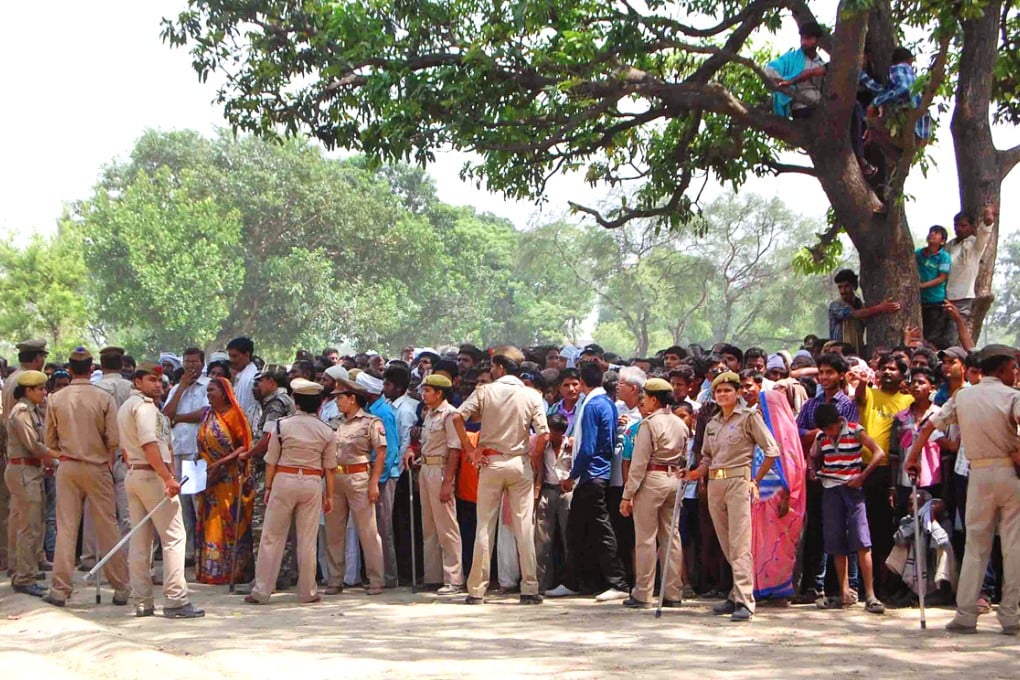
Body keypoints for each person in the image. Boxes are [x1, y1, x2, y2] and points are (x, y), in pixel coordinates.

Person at [906, 344, 1020, 634]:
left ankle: (966, 614)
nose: (1015, 372)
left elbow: (929, 426)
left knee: (975, 546)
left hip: (977, 473)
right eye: (1013, 367)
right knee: (1013, 545)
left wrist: (912, 456)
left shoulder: (963, 397)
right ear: (1002, 368)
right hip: (1009, 472)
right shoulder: (1013, 397)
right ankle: (1010, 616)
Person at [452, 346, 550, 605]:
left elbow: (457, 417)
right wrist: (530, 456)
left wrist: (471, 451)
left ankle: (476, 589)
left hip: (491, 462)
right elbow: (544, 434)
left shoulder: (485, 391)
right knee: (523, 527)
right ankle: (530, 588)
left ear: (501, 368)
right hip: (519, 463)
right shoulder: (531, 395)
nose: (491, 371)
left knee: (485, 526)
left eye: (493, 367)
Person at [43, 347, 130, 608]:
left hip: (67, 467)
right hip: (97, 466)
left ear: (69, 369)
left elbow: (49, 441)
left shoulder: (56, 399)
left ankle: (60, 589)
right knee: (107, 526)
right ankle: (121, 587)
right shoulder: (103, 398)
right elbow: (113, 439)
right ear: (92, 368)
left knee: (66, 528)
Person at [118, 362, 204, 618]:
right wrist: (167, 477)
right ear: (138, 382)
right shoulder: (144, 409)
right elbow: (150, 445)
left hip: (134, 473)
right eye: (152, 380)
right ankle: (176, 599)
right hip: (151, 474)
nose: (158, 384)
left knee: (141, 540)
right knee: (174, 537)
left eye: (160, 380)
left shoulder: (127, 407)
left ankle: (142, 600)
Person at [693, 371, 780, 622]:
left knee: (740, 544)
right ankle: (735, 593)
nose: (722, 395)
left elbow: (771, 450)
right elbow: (707, 457)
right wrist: (695, 473)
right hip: (715, 483)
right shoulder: (712, 423)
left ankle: (745, 600)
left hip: (738, 481)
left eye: (727, 391)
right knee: (727, 542)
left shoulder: (749, 418)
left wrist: (755, 480)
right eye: (718, 391)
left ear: (737, 393)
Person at [245, 378, 337, 605]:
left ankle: (262, 590)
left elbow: (271, 461)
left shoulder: (281, 425)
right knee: (307, 539)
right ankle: (308, 592)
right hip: (312, 482)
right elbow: (330, 468)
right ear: (319, 404)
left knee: (272, 537)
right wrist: (330, 496)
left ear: (295, 402)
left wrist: (268, 488)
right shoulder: (327, 430)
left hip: (283, 480)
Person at [546, 362, 629, 601]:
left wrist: (572, 476)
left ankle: (618, 582)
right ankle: (576, 581)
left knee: (600, 530)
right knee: (578, 531)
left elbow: (588, 447)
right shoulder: (607, 403)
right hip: (598, 474)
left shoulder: (593, 405)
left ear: (582, 381)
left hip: (591, 476)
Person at [618, 378, 689, 608]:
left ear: (654, 399)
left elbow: (639, 463)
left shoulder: (649, 424)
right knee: (671, 537)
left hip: (652, 479)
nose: (644, 402)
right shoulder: (680, 423)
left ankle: (643, 593)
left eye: (646, 397)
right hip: (674, 479)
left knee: (646, 539)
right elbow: (684, 458)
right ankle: (673, 592)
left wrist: (627, 495)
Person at [809, 404, 887, 614]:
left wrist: (862, 476)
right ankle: (844, 593)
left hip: (852, 490)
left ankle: (870, 595)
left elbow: (879, 453)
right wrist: (813, 470)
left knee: (862, 541)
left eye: (830, 429)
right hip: (830, 490)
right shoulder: (821, 437)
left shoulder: (855, 430)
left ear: (838, 422)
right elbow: (813, 456)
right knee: (836, 543)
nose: (829, 434)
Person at [235, 364, 295, 595]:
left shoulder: (275, 403)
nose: (257, 386)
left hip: (270, 469)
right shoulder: (284, 401)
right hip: (280, 468)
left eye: (260, 381)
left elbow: (269, 436)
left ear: (271, 381)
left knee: (263, 526)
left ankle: (264, 578)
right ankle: (279, 575)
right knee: (280, 526)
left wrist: (248, 454)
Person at [323, 377, 386, 595]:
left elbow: (380, 453)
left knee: (368, 531)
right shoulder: (334, 421)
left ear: (352, 399)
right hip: (335, 478)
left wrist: (374, 483)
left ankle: (376, 579)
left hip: (359, 477)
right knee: (334, 532)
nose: (337, 401)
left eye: (340, 397)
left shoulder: (371, 422)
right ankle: (335, 580)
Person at [406, 374, 464, 594]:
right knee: (428, 524)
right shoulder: (429, 414)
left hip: (441, 470)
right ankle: (433, 575)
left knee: (447, 526)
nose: (424, 394)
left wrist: (448, 482)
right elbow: (426, 443)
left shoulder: (450, 415)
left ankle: (454, 578)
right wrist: (413, 451)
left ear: (440, 393)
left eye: (428, 391)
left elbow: (455, 450)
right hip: (426, 468)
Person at [195, 376, 254, 585]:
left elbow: (244, 445)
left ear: (224, 392)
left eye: (212, 390)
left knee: (230, 521)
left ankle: (233, 570)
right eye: (207, 391)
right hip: (210, 478)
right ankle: (211, 569)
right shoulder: (207, 414)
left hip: (229, 479)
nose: (208, 394)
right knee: (211, 521)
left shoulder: (235, 415)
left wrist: (222, 462)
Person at [5, 370, 57, 596]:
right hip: (23, 470)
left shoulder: (33, 410)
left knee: (29, 523)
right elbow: (33, 445)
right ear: (28, 390)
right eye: (40, 389)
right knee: (30, 526)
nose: (44, 393)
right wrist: (58, 456)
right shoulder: (21, 412)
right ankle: (24, 577)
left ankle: (24, 569)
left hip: (30, 470)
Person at [1, 338, 49, 575]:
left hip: (18, 457)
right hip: (22, 458)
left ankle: (21, 562)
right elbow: (27, 437)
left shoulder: (12, 380)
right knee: (26, 520)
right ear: (38, 358)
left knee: (21, 516)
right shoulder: (21, 392)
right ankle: (23, 568)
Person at [162, 347, 209, 559]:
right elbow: (166, 414)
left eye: (195, 362)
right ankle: (188, 551)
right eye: (187, 362)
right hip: (177, 451)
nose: (190, 366)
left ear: (202, 363)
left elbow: (203, 413)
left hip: (195, 452)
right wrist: (181, 387)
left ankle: (203, 550)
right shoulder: (176, 388)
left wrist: (178, 418)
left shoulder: (208, 386)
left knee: (196, 502)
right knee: (181, 505)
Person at [356, 370, 401, 588]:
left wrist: (378, 479)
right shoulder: (371, 410)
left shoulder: (384, 413)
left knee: (383, 528)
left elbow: (391, 449)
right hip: (373, 474)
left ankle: (388, 577)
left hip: (384, 477)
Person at [945, 204, 997, 336]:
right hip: (943, 296)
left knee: (953, 335)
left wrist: (988, 217)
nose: (959, 229)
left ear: (972, 227)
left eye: (963, 225)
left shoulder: (975, 244)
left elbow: (985, 230)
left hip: (962, 297)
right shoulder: (949, 245)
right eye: (957, 225)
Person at [534, 414, 571, 592]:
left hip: (566, 493)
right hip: (547, 491)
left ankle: (569, 582)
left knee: (567, 537)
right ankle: (541, 583)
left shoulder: (571, 445)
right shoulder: (542, 445)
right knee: (542, 540)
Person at [828, 269, 900, 356]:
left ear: (854, 286)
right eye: (840, 287)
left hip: (858, 351)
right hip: (838, 353)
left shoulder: (859, 304)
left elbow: (866, 317)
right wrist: (880, 307)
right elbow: (855, 314)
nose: (843, 291)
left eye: (846, 286)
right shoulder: (835, 305)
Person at [767, 21, 826, 119]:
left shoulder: (821, 63)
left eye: (808, 38)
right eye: (802, 38)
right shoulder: (791, 58)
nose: (803, 42)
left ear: (817, 40)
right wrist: (785, 83)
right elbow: (770, 70)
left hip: (820, 108)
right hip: (801, 108)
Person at [917, 225, 953, 348]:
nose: (932, 234)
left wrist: (922, 285)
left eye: (936, 233)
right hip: (919, 301)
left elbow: (942, 277)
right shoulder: (918, 254)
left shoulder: (944, 257)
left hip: (935, 301)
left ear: (942, 241)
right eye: (931, 232)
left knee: (933, 336)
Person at [228, 336, 258, 416]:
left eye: (234, 356)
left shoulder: (251, 378)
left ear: (246, 355)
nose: (231, 360)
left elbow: (247, 410)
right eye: (230, 356)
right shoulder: (240, 376)